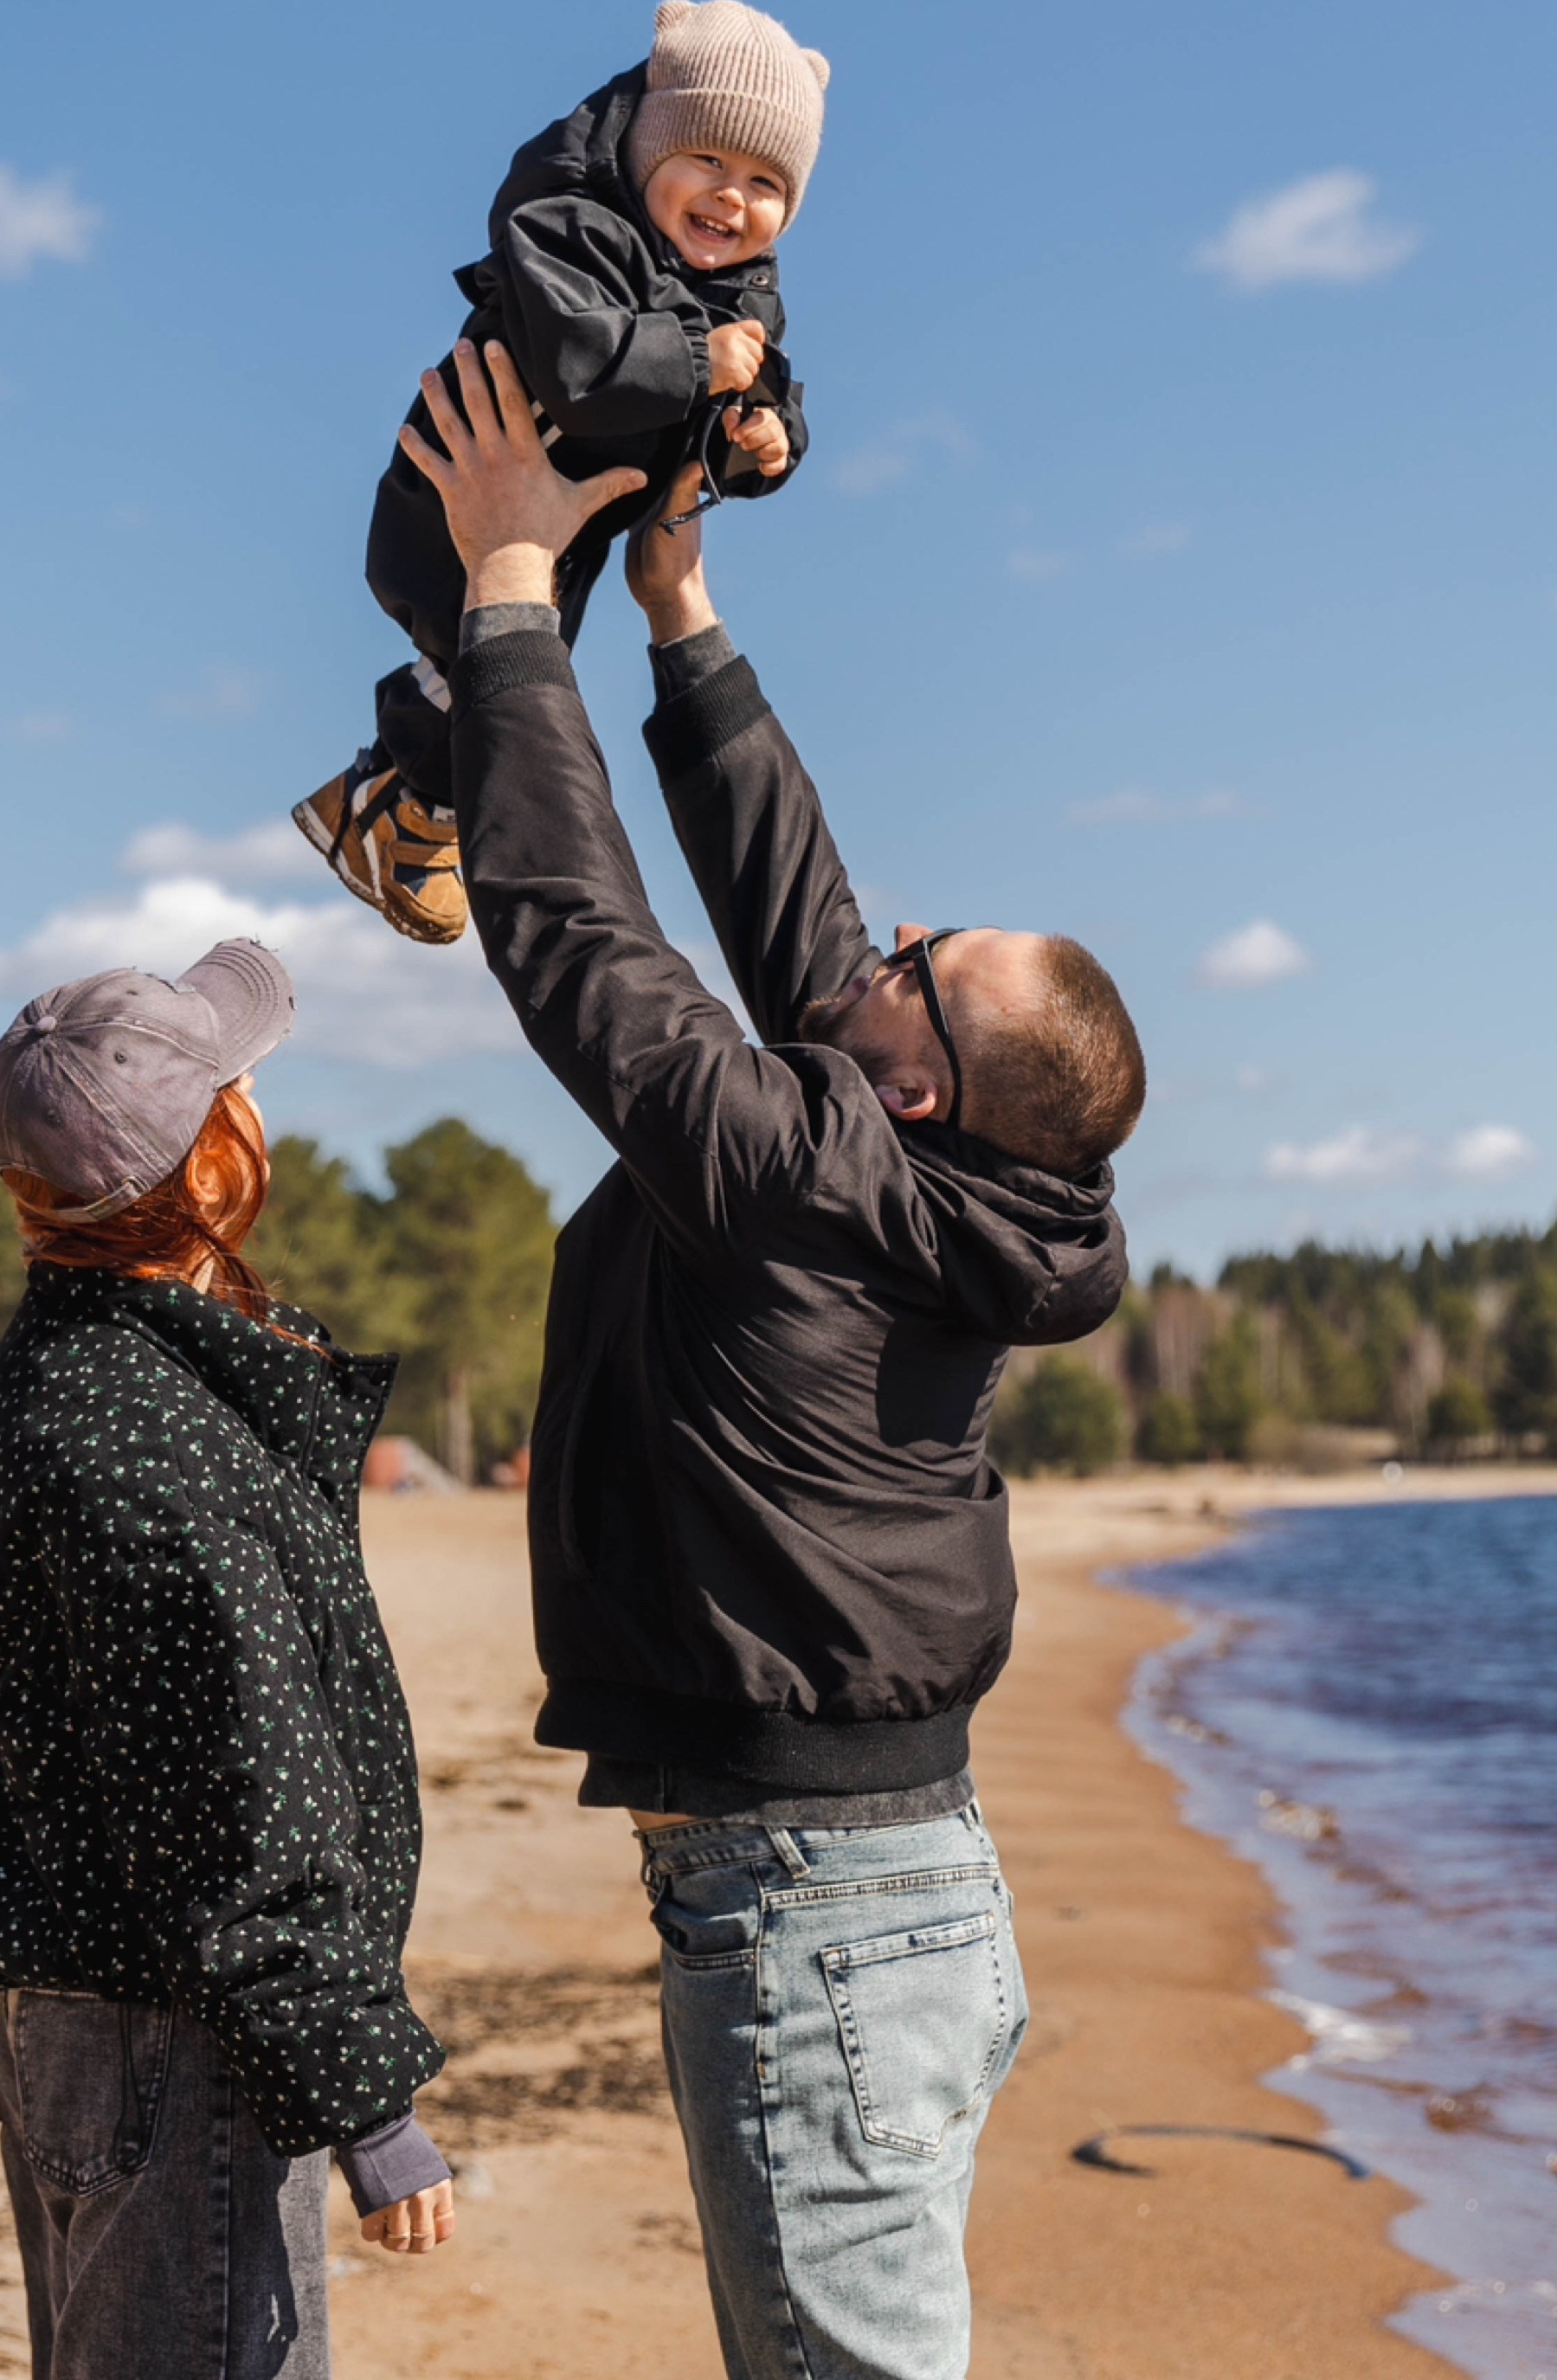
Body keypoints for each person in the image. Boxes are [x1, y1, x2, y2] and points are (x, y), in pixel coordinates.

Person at [406, 338, 1145, 2380]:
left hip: (828, 1917)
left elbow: (583, 949)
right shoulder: (968, 1178)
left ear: (916, 1086)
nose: (879, 941)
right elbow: (811, 937)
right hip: (875, 1893)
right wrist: (680, 621)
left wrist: (506, 594)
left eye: (914, 968)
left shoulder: (806, 1172)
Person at [0, 939, 454, 2380]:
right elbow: (236, 1799)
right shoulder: (137, 1436)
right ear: (217, 1162)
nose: (259, 1108)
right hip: (174, 2037)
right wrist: (368, 2102)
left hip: (97, 2018)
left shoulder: (58, 1377)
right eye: (240, 1091)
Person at [293, 0, 826, 947]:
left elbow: (736, 400)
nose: (731, 197)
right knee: (484, 672)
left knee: (508, 672)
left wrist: (759, 443)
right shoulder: (569, 222)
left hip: (563, 521)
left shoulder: (740, 290)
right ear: (648, 148)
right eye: (706, 159)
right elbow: (580, 367)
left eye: (763, 182)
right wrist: (698, 361)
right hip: (463, 491)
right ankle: (395, 816)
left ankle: (394, 809)